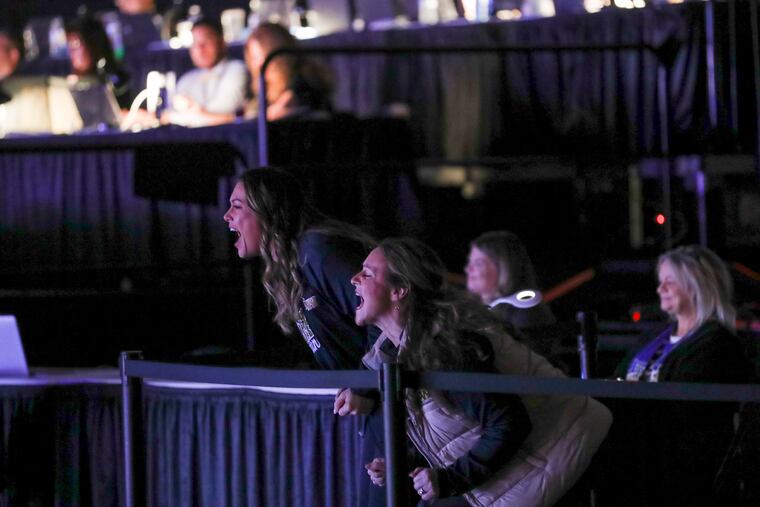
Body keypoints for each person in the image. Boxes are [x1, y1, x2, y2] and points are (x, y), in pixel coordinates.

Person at [339, 237, 612, 506]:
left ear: (399, 291)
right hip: (531, 465)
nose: (354, 279)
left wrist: (448, 480)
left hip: (565, 454)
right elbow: (457, 428)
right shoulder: (405, 349)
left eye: (367, 273)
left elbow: (508, 423)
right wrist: (404, 462)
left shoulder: (444, 345)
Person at [610, 244, 751, 506]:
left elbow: (683, 406)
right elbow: (618, 377)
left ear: (697, 286)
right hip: (639, 459)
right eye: (660, 281)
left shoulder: (716, 343)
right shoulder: (656, 335)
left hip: (680, 471)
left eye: (669, 282)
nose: (659, 289)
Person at [222, 167, 376, 369]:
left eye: (237, 206)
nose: (226, 216)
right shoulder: (292, 263)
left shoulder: (318, 251)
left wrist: (363, 389)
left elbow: (387, 317)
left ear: (268, 212)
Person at [163, 16, 247, 127]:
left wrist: (192, 112)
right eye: (195, 43)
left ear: (221, 42)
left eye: (206, 41)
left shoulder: (237, 70)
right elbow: (168, 117)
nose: (200, 49)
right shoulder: (187, 79)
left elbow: (224, 115)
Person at [244, 22, 333, 121]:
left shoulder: (304, 82)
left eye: (263, 55)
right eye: (254, 58)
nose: (259, 64)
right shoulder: (263, 87)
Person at [65, 15, 131, 108]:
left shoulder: (117, 83)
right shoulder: (65, 87)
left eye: (75, 44)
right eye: (68, 45)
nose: (70, 52)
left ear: (93, 46)